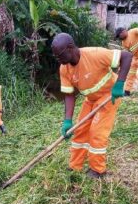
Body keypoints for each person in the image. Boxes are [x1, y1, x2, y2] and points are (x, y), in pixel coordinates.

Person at [52, 33, 132, 179]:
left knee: (97, 131)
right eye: (56, 57)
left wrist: (120, 83)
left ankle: (97, 170)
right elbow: (69, 94)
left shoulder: (94, 54)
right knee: (80, 130)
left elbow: (126, 56)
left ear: (70, 48)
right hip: (91, 99)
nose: (59, 60)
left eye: (60, 55)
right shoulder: (64, 68)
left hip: (109, 96)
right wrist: (67, 121)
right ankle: (75, 166)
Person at [115, 26, 138, 97]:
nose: (119, 38)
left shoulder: (133, 31)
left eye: (119, 36)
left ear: (123, 32)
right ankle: (127, 92)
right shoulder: (123, 43)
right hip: (135, 57)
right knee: (130, 75)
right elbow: (128, 54)